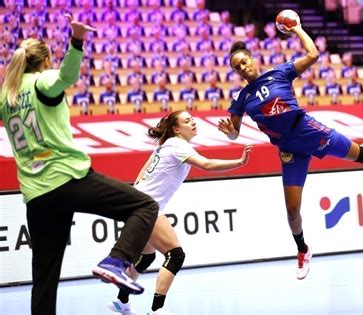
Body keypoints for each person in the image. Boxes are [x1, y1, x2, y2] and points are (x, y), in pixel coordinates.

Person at [0, 15, 158, 315]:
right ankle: (116, 260)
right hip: (66, 177)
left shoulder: (6, 95)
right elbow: (66, 78)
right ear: (45, 60)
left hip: (35, 194)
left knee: (44, 278)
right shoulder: (42, 81)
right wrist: (76, 41)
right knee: (145, 207)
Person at [217, 22, 363, 280]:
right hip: (289, 148)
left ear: (252, 59)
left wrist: (298, 29)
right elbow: (234, 132)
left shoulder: (279, 73)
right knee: (292, 211)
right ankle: (302, 249)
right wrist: (229, 132)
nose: (243, 67)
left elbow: (313, 55)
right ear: (236, 72)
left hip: (309, 131)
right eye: (238, 67)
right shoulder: (242, 99)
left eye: (245, 61)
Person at [107, 110, 252, 315]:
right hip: (147, 207)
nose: (192, 122)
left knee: (146, 257)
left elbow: (142, 173)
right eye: (187, 121)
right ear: (176, 129)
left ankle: (121, 301)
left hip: (140, 204)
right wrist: (239, 162)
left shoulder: (165, 145)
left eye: (192, 119)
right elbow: (207, 164)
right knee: (175, 255)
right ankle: (157, 310)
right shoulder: (177, 145)